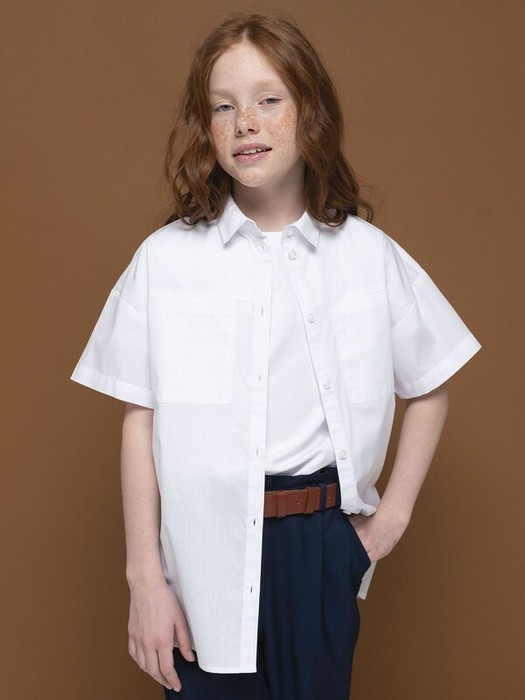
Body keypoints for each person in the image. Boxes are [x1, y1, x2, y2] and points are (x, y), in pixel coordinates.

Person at [70, 13, 481, 700]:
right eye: (223, 107)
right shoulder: (165, 262)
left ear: (309, 111)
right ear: (205, 126)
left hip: (319, 548)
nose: (245, 124)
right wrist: (145, 580)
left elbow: (430, 384)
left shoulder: (366, 256)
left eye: (268, 99)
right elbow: (141, 420)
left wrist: (388, 521)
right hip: (202, 555)